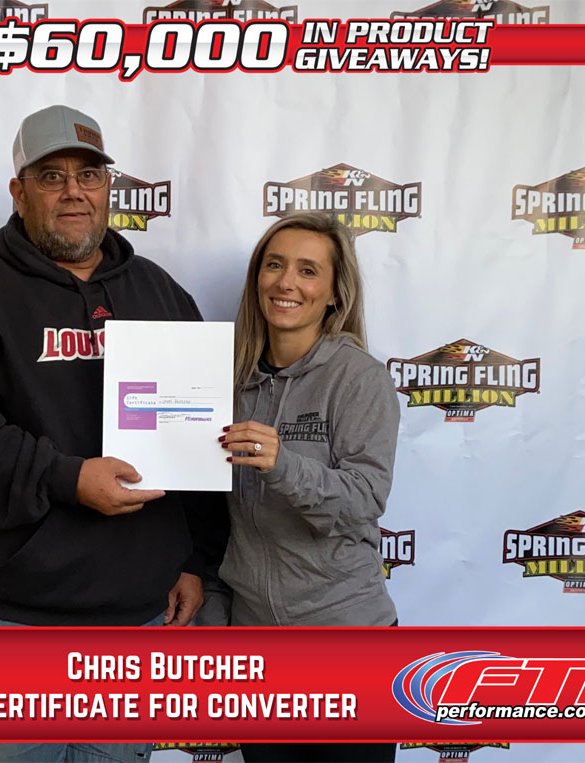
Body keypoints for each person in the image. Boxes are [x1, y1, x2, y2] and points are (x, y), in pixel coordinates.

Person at [0, 104, 226, 763]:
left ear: (108, 187)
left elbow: (198, 438)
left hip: (129, 620)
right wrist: (65, 477)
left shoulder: (161, 295)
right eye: (51, 176)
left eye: (89, 175)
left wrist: (196, 560)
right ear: (19, 192)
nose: (74, 191)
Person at [219, 213, 400, 763]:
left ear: (334, 293)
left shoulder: (359, 378)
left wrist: (283, 464)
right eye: (274, 265)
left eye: (307, 270)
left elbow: (366, 498)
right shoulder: (226, 378)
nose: (286, 282)